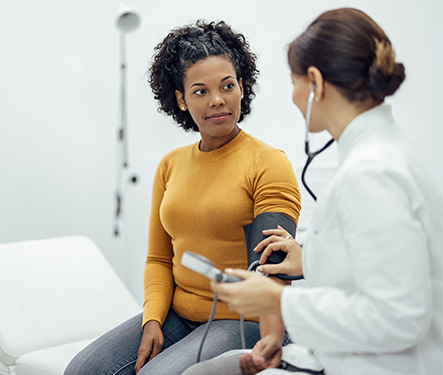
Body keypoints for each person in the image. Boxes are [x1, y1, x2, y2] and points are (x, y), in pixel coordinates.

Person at [183, 7, 443, 375]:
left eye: (294, 83)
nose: (293, 97)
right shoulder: (381, 156)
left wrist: (280, 300)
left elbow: (399, 317)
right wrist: (310, 259)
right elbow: (380, 265)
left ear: (316, 84)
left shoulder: (371, 174)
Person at [64, 20, 301, 375]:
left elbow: (271, 271)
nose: (217, 100)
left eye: (227, 86)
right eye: (201, 91)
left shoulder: (268, 163)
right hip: (179, 315)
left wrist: (271, 342)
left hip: (244, 319)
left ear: (241, 87)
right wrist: (152, 320)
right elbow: (159, 258)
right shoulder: (170, 165)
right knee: (83, 370)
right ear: (181, 99)